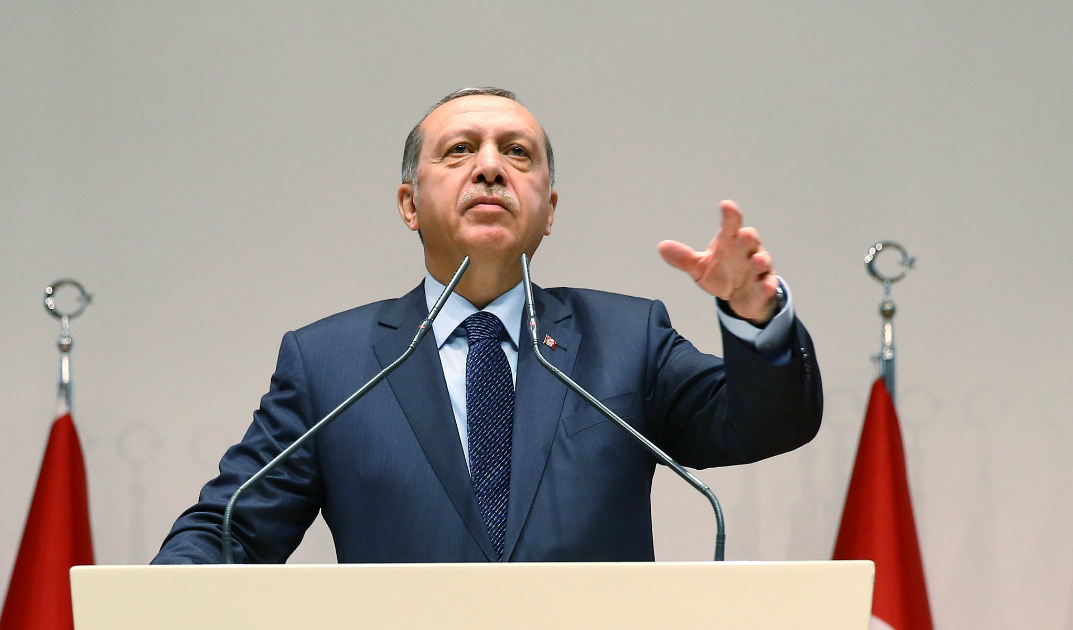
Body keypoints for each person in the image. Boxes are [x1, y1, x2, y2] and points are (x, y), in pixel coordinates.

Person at [153, 87, 822, 564]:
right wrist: (157, 601)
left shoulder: (629, 339)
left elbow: (765, 422)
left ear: (549, 209)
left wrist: (755, 316)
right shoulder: (330, 363)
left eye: (518, 154)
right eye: (460, 150)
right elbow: (231, 529)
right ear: (409, 205)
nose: (491, 167)